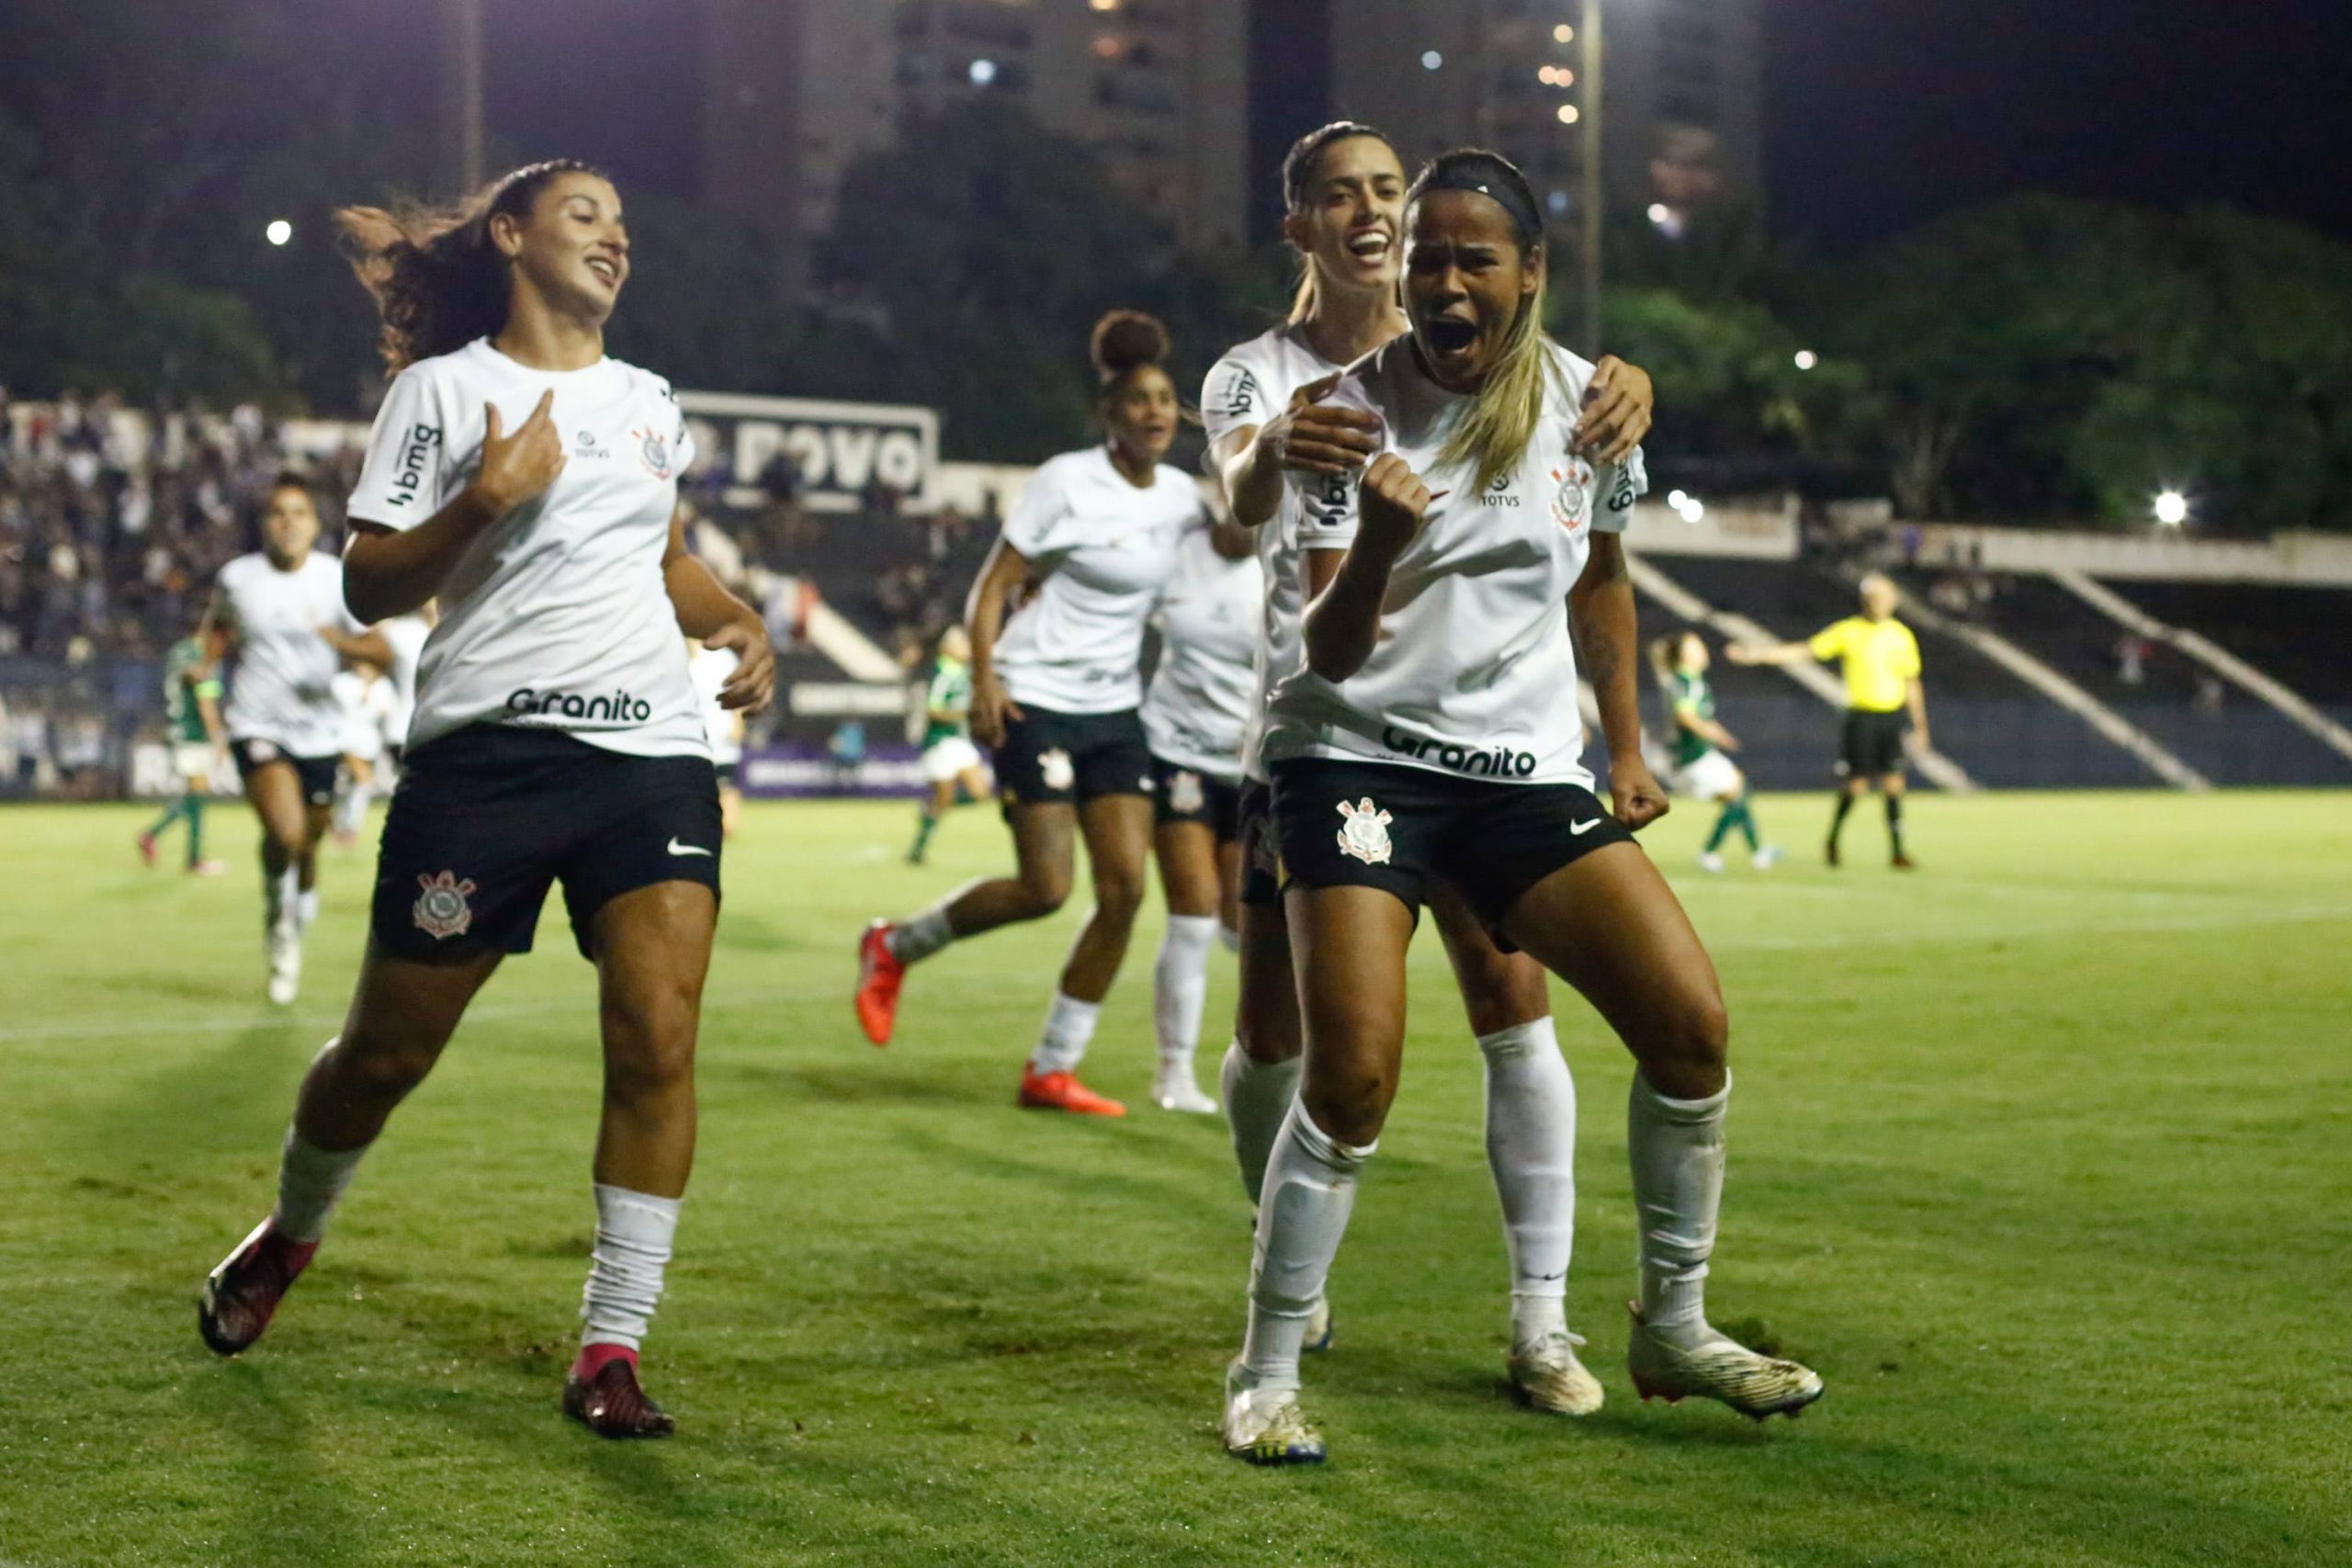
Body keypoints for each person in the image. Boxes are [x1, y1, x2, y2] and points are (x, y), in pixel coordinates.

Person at [1220, 149, 1821, 1465]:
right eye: (1425, 256)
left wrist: (1625, 743)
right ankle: (1265, 1368)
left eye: (1472, 257)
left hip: (1520, 773)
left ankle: (1669, 1321)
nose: (1441, 277)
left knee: (1689, 1023)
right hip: (1357, 756)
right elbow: (1326, 650)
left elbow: (1602, 578)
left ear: (1529, 274)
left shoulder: (1593, 407)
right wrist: (1380, 536)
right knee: (1355, 1070)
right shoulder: (1339, 408)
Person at [195, 160, 775, 1440]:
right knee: (385, 1057)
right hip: (487, 762)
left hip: (651, 755)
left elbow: (660, 555)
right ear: (511, 236)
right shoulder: (442, 392)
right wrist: (486, 497)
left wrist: (730, 615)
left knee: (658, 1034)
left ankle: (610, 1346)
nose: (614, 239)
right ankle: (288, 1235)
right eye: (585, 216)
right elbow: (368, 586)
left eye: (624, 223)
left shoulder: (646, 402)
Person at [1203, 120, 1653, 1418]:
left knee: (1516, 1012)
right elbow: (1234, 500)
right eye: (1340, 196)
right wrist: (1277, 444)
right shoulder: (1269, 376)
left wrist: (1626, 388)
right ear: (1301, 225)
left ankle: (1544, 1322)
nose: (1370, 213)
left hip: (1494, 753)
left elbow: (1598, 537)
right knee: (1283, 1040)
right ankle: (1278, 1251)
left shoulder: (1509, 357)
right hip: (1320, 733)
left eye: (1388, 192)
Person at [855, 311, 1202, 1119]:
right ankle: (895, 944)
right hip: (1035, 694)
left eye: (1165, 400)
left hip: (1116, 707)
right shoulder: (1066, 480)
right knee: (1048, 887)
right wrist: (984, 680)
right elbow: (993, 586)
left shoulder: (1187, 498)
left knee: (1122, 891)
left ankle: (1052, 1067)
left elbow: (1236, 534)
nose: (1154, 412)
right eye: (1137, 401)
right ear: (1108, 416)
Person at [209, 473, 393, 1003]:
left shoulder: (335, 579)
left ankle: (296, 897)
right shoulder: (237, 577)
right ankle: (279, 922)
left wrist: (343, 645)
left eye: (298, 513)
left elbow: (380, 651)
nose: (287, 523)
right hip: (257, 725)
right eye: (277, 513)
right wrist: (202, 666)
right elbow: (216, 631)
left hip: (320, 731)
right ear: (264, 524)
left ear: (314, 525)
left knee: (309, 839)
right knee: (287, 833)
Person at [1138, 510, 1262, 1113]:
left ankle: (1264, 1061)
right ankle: (1174, 1072)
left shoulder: (1287, 556)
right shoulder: (1176, 551)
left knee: (1245, 925)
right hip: (1176, 753)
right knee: (1191, 912)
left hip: (1247, 765)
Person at [1729, 571, 1927, 869]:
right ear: (1865, 600)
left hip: (1891, 717)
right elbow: (1806, 650)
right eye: (1873, 597)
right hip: (1861, 718)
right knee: (1857, 786)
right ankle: (1833, 839)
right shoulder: (1848, 631)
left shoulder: (1901, 636)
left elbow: (1912, 682)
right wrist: (1759, 655)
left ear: (1893, 600)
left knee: (1894, 784)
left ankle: (1898, 851)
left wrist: (1920, 725)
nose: (1878, 602)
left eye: (1884, 597)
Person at [1649, 631, 1781, 873]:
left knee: (1738, 794)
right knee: (1738, 793)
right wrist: (1713, 733)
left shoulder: (1679, 681)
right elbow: (1686, 716)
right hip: (1694, 757)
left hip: (1688, 758)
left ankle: (1758, 851)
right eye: (1696, 647)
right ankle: (1712, 853)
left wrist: (1717, 732)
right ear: (1684, 656)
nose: (1703, 650)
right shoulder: (1688, 683)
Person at [137, 619, 230, 875]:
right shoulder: (200, 656)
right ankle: (192, 858)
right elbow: (205, 699)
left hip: (177, 730)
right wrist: (219, 738)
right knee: (197, 796)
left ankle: (157, 838)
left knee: (194, 794)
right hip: (192, 734)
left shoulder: (180, 651)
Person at [907, 625, 992, 865]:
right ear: (948, 649)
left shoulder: (963, 672)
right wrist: (965, 714)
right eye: (961, 643)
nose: (966, 647)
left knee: (980, 794)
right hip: (941, 742)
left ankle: (929, 809)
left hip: (960, 742)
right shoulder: (943, 673)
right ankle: (918, 849)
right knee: (944, 800)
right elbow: (933, 710)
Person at [330, 658, 398, 847]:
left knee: (357, 788)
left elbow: (389, 711)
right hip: (344, 739)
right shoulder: (342, 682)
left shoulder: (383, 686)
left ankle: (347, 828)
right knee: (359, 780)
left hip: (369, 743)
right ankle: (340, 825)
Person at [689, 637, 747, 839]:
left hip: (721, 735)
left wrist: (738, 721)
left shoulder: (722, 658)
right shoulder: (677, 658)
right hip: (691, 738)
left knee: (725, 786)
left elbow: (737, 691)